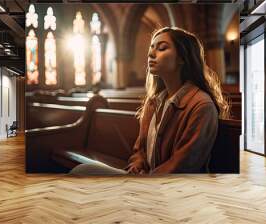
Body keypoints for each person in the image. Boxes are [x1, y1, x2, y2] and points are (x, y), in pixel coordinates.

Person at [69, 27, 229, 175]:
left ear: (182, 58)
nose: (151, 54)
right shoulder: (154, 102)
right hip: (147, 180)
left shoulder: (201, 106)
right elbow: (141, 150)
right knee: (83, 170)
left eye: (162, 48)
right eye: (151, 48)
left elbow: (183, 164)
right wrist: (137, 164)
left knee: (83, 172)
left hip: (172, 191)